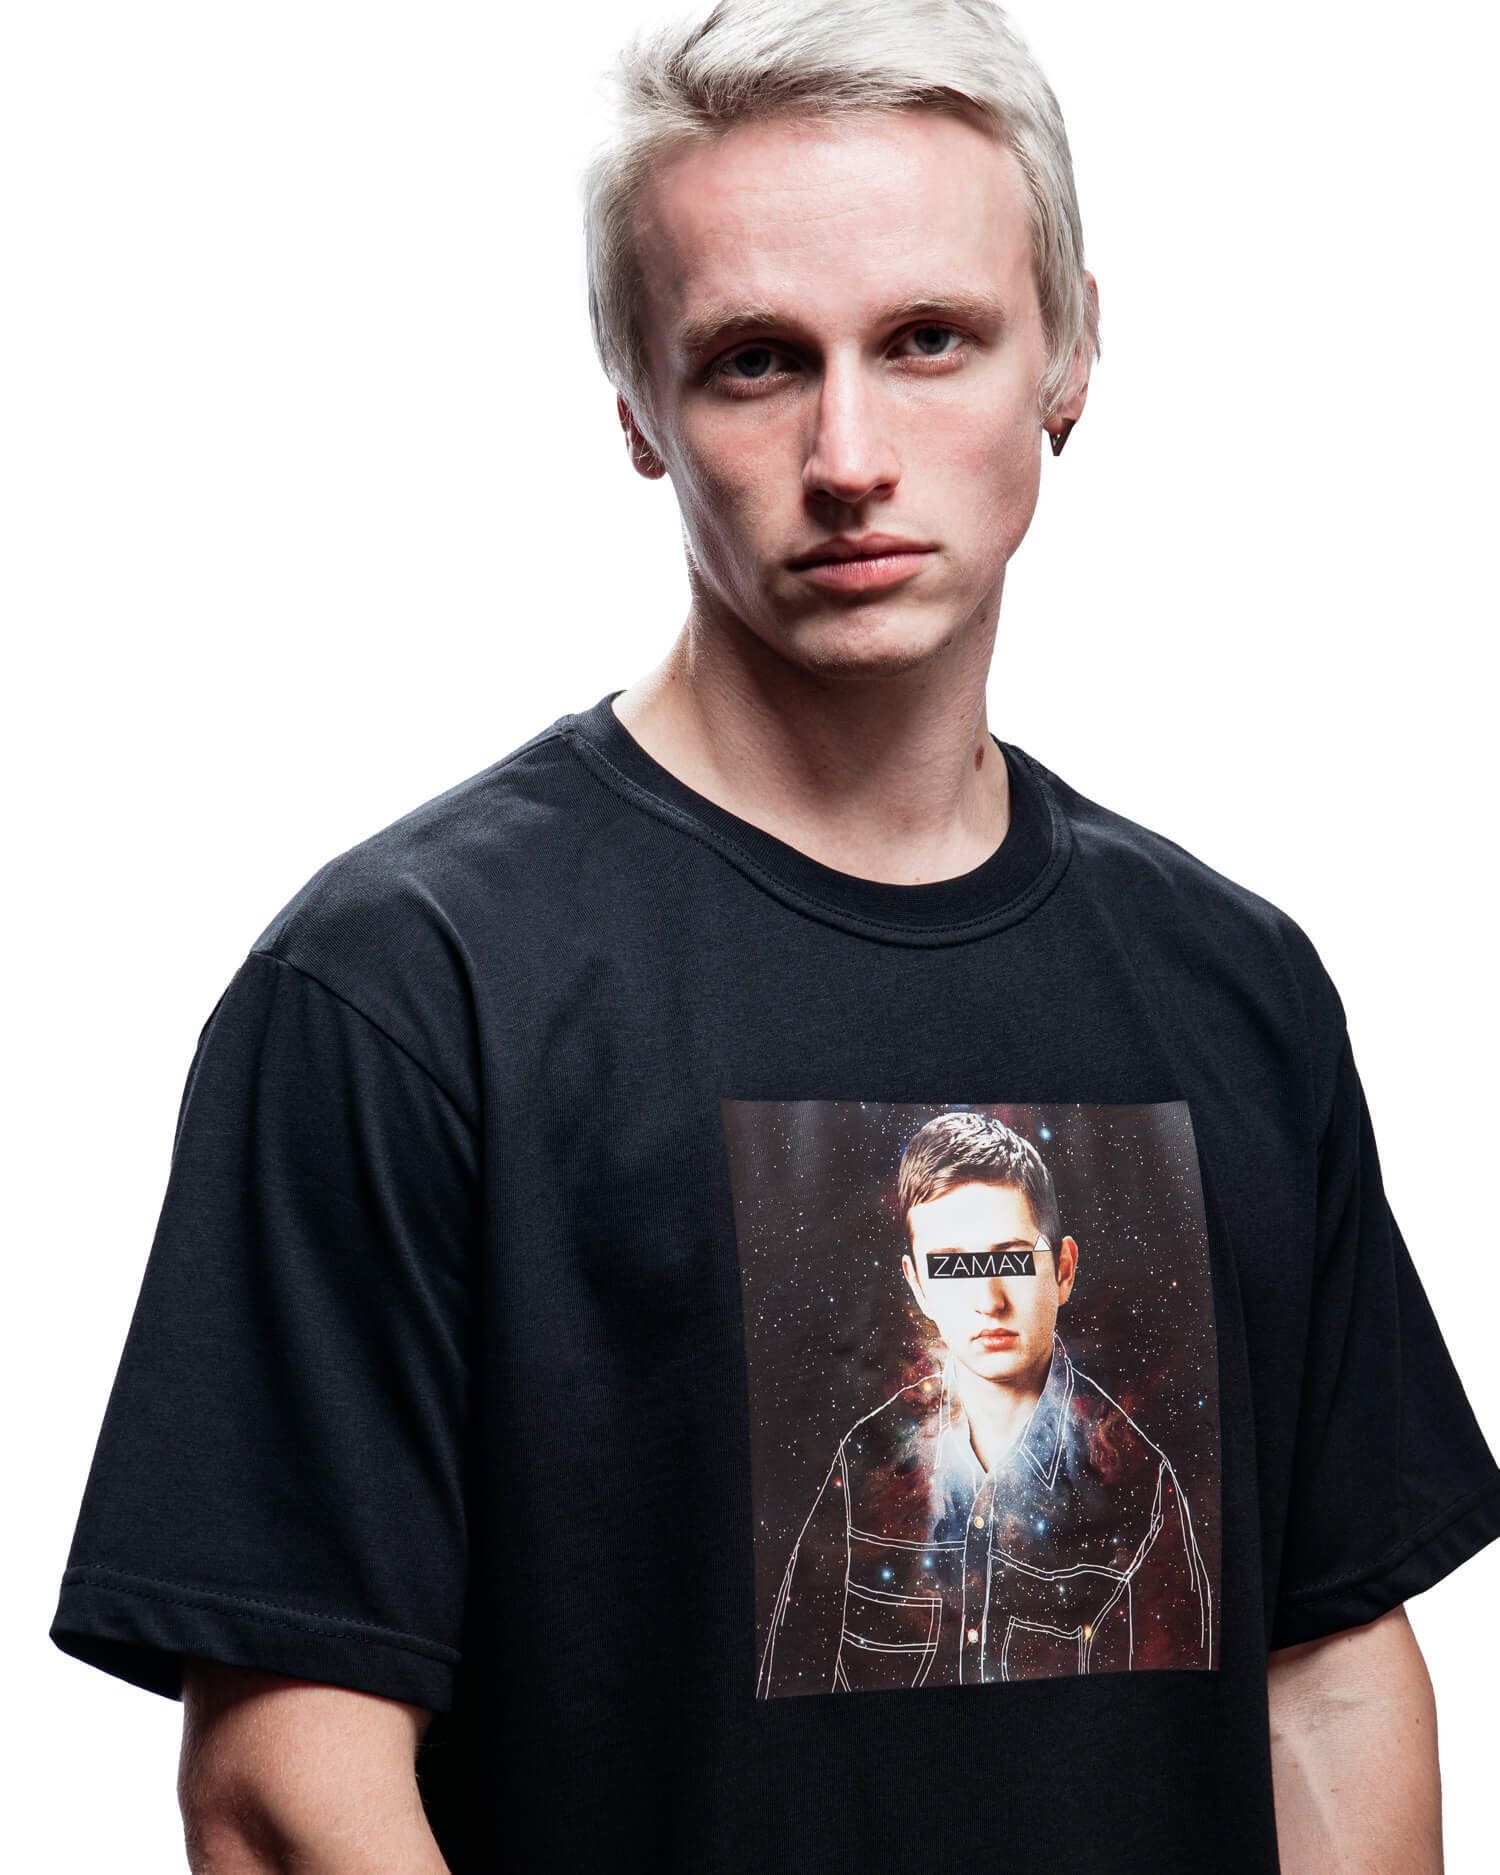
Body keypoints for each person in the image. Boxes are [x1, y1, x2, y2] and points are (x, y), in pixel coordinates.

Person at [48, 1, 1500, 1870]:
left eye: (927, 339)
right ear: (636, 408)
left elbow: (1329, 1679)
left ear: (1068, 357)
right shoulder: (406, 991)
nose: (849, 452)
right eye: (753, 361)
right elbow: (284, 1785)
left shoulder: (1239, 988)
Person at [754, 1110, 1214, 1697]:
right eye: (951, 1265)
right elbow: (792, 1677)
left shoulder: (1141, 1484)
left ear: (1063, 1271)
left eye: (1012, 1258)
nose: (988, 1301)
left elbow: (1176, 1704)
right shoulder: (864, 1461)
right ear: (919, 1286)